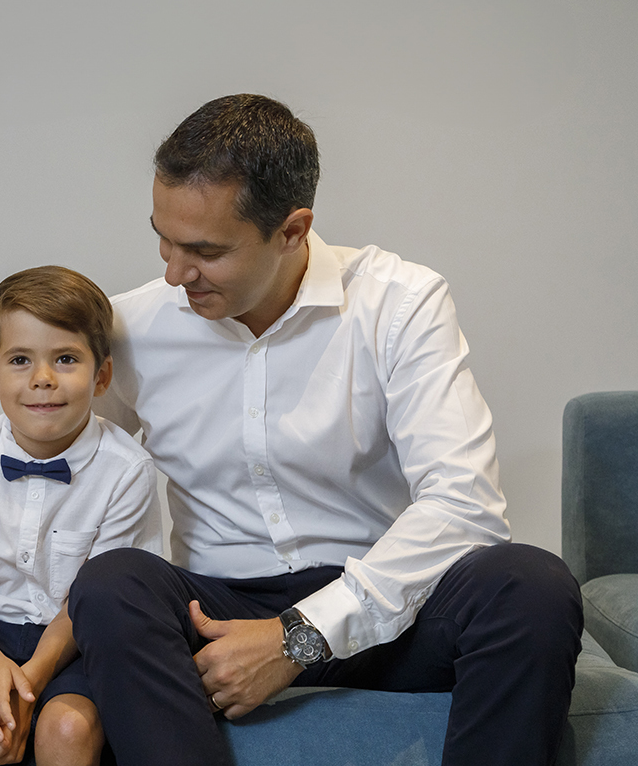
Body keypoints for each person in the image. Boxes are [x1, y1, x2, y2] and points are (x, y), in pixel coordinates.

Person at [67, 94, 584, 765]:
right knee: (111, 584)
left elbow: (465, 506)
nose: (173, 272)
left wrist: (296, 639)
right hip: (216, 614)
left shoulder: (399, 303)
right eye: (163, 239)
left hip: (387, 605)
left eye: (204, 250)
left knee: (531, 584)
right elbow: (50, 467)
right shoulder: (132, 325)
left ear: (292, 229)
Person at [0, 267, 162, 766]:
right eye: (20, 360)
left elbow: (94, 602)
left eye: (66, 359)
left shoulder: (127, 470)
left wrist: (27, 684)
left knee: (66, 727)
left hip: (81, 634)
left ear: (102, 376)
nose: (43, 379)